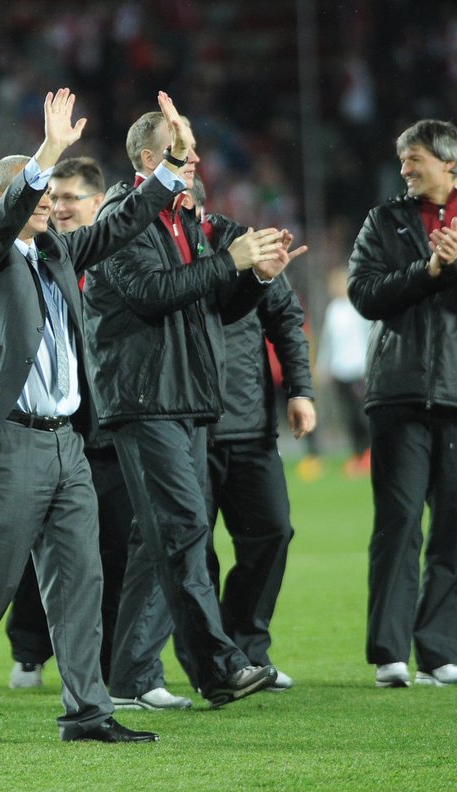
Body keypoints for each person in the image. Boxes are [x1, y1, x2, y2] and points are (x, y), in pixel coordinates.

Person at [0, 88, 188, 744]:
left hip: (65, 442)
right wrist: (50, 149)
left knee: (81, 580)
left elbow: (118, 225)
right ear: (7, 198)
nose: (47, 206)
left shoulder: (57, 251)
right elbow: (3, 224)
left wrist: (168, 166)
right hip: (7, 441)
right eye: (34, 194)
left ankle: (87, 710)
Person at [83, 107, 306, 709]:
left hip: (182, 397)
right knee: (183, 529)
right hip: (145, 396)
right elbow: (151, 296)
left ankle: (130, 679)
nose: (197, 158)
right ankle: (220, 665)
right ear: (151, 161)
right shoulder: (121, 219)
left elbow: (208, 307)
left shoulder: (183, 221)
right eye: (183, 148)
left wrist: (255, 279)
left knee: (159, 537)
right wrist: (225, 263)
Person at [348, 119, 457, 688]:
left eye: (414, 159)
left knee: (455, 527)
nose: (404, 169)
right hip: (398, 393)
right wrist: (426, 272)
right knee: (397, 524)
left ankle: (442, 653)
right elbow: (364, 294)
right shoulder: (384, 221)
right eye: (402, 160)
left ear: (451, 162)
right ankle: (390, 654)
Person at [4, 156, 144, 694]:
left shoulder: (112, 257)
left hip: (106, 430)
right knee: (28, 544)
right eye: (53, 198)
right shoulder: (36, 255)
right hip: (52, 427)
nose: (59, 208)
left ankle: (99, 664)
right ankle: (29, 648)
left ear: (97, 204)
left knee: (104, 550)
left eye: (70, 199)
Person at [196, 187, 316, 694]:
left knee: (272, 531)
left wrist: (300, 390)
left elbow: (285, 317)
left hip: (247, 423)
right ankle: (214, 664)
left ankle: (248, 648)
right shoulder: (149, 249)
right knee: (193, 551)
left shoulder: (242, 243)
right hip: (187, 427)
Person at [316, 266, 372, 476]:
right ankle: (357, 454)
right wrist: (323, 366)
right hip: (339, 370)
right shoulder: (333, 309)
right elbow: (327, 342)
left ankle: (368, 452)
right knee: (347, 415)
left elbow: (368, 336)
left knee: (361, 414)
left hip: (357, 369)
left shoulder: (358, 308)